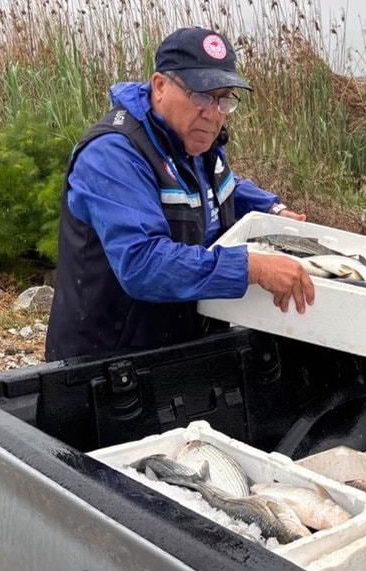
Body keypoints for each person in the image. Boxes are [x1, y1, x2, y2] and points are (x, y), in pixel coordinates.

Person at [45, 26, 315, 362]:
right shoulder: (111, 155)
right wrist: (251, 268)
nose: (214, 113)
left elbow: (220, 185)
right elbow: (142, 264)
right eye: (202, 95)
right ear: (160, 86)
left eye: (224, 98)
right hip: (106, 364)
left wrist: (271, 208)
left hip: (178, 349)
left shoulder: (192, 138)